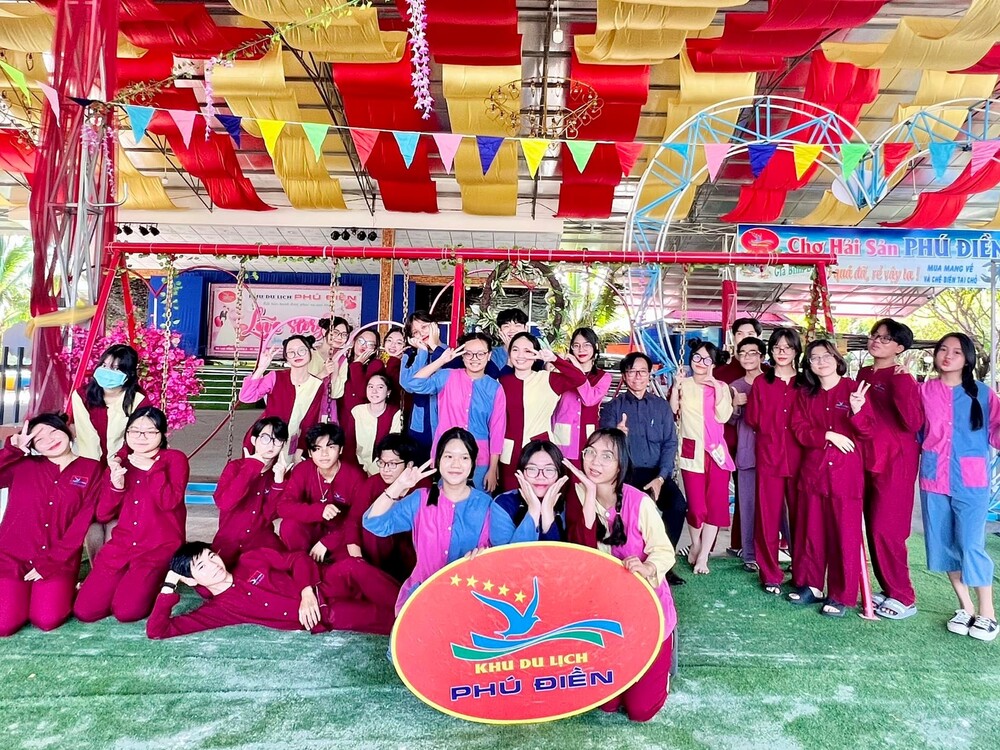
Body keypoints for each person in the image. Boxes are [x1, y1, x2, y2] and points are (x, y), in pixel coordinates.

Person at [563, 428, 677, 723]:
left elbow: (664, 552)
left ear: (620, 464)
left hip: (648, 616)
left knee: (640, 711)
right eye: (590, 452)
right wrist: (589, 498)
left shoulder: (640, 503)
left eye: (606, 456)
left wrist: (648, 568)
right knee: (607, 705)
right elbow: (580, 556)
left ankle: (663, 664)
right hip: (606, 618)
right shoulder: (577, 496)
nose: (595, 461)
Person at [74, 406, 190, 623]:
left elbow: (169, 503)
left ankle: (153, 581)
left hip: (158, 547)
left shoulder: (174, 459)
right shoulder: (119, 464)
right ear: (126, 433)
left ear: (162, 434)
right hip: (122, 545)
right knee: (86, 611)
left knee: (127, 611)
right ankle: (125, 584)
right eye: (134, 431)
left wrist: (152, 469)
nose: (141, 437)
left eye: (150, 431)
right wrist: (116, 486)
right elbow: (103, 514)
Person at [146, 541, 399, 638]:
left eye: (212, 556)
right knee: (392, 622)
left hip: (324, 583)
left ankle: (411, 601)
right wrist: (169, 586)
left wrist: (306, 591)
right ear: (191, 581)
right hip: (327, 613)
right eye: (202, 566)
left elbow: (298, 558)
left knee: (353, 566)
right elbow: (158, 630)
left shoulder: (250, 560)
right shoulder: (220, 610)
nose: (213, 565)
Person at [919, 333, 998, 641]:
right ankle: (965, 607)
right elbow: (914, 430)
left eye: (956, 352)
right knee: (944, 544)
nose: (948, 356)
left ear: (967, 359)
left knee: (970, 544)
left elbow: (996, 432)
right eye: (943, 349)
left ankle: (988, 613)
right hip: (934, 478)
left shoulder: (983, 393)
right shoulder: (923, 391)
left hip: (971, 481)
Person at [363, 427, 492, 613]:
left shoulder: (486, 505)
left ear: (473, 463)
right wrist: (398, 486)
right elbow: (374, 523)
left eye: (464, 458)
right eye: (448, 456)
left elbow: (491, 555)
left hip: (467, 599)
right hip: (421, 595)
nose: (456, 464)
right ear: (438, 460)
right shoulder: (420, 498)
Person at [787, 340, 873, 617]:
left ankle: (841, 595)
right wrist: (827, 435)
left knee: (843, 535)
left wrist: (857, 410)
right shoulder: (805, 394)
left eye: (826, 356)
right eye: (814, 358)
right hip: (814, 472)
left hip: (845, 475)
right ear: (809, 365)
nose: (821, 361)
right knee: (810, 531)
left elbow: (868, 431)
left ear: (837, 359)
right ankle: (811, 585)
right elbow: (799, 429)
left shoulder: (854, 389)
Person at [0, 415, 101, 636]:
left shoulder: (91, 469)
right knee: (4, 624)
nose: (50, 440)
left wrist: (51, 563)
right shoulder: (22, 465)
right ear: (33, 446)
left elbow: (81, 522)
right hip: (11, 557)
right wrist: (12, 450)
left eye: (54, 431)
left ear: (67, 431)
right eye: (39, 438)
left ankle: (65, 590)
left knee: (46, 619)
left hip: (58, 560)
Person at [600, 351, 686, 586]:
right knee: (626, 513)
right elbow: (604, 446)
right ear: (624, 376)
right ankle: (625, 562)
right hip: (624, 474)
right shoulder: (613, 408)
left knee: (677, 506)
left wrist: (661, 478)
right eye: (632, 371)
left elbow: (670, 443)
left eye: (642, 371)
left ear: (649, 375)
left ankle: (663, 564)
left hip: (656, 474)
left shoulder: (661, 407)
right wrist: (616, 436)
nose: (637, 376)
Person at [857, 319, 924, 620]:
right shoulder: (864, 373)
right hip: (867, 456)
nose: (876, 341)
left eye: (885, 338)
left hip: (897, 460)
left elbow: (913, 422)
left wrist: (903, 382)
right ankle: (888, 587)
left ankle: (904, 596)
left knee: (889, 528)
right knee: (873, 526)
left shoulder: (902, 378)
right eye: (874, 335)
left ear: (899, 347)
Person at [401, 332, 506, 492]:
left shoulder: (495, 388)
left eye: (480, 354)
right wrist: (441, 360)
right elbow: (414, 384)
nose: (474, 358)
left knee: (478, 502)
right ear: (462, 356)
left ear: (489, 355)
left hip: (480, 457)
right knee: (447, 500)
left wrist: (493, 468)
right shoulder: (447, 376)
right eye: (468, 353)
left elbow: (497, 429)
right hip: (447, 453)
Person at [744, 327, 803, 595]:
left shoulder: (805, 383)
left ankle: (803, 573)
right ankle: (770, 573)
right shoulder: (761, 383)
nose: (782, 352)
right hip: (769, 456)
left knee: (802, 517)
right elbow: (753, 419)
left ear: (796, 351)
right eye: (777, 347)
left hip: (801, 458)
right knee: (767, 516)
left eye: (788, 347)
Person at [669, 340, 735, 576]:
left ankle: (703, 555)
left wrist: (716, 386)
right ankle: (695, 544)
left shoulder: (722, 387)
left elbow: (724, 416)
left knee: (715, 507)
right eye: (697, 357)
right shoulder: (684, 384)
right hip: (691, 452)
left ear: (714, 363)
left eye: (707, 359)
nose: (701, 362)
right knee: (696, 508)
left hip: (717, 456)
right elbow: (674, 411)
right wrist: (675, 386)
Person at [498, 332, 586, 491]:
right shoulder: (502, 382)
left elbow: (579, 378)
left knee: (542, 496)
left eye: (527, 351)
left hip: (541, 450)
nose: (521, 355)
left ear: (536, 355)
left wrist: (554, 359)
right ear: (509, 354)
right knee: (511, 496)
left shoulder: (548, 379)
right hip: (510, 451)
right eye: (515, 350)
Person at [277, 423, 366, 564]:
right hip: (312, 528)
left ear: (340, 449)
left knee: (347, 562)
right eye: (317, 449)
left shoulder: (355, 477)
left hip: (340, 534)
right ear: (310, 453)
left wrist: (327, 542)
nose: (324, 454)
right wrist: (319, 511)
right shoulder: (303, 470)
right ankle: (302, 563)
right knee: (289, 526)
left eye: (331, 447)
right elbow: (283, 507)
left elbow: (358, 519)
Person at [212, 417, 291, 567]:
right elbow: (225, 503)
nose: (271, 445)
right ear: (254, 440)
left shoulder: (280, 474)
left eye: (278, 440)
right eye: (265, 438)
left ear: (283, 445)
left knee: (287, 567)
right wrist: (251, 467)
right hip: (228, 539)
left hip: (261, 541)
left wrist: (279, 483)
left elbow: (269, 515)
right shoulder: (236, 467)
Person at [345, 434, 419, 583]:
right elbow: (353, 520)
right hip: (376, 556)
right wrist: (358, 561)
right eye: (381, 463)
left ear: (409, 465)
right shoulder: (372, 483)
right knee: (372, 527)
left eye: (392, 464)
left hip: (411, 555)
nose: (385, 469)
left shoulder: (422, 487)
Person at [239, 335, 324, 459]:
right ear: (286, 357)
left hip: (294, 442)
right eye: (291, 352)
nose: (297, 355)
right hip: (266, 438)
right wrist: (261, 368)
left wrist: (300, 450)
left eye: (301, 350)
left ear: (310, 352)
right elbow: (246, 397)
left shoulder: (317, 384)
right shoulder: (275, 377)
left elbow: (310, 421)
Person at [70, 344, 149, 462]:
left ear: (129, 374)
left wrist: (117, 461)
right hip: (88, 460)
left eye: (115, 369)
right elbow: (86, 437)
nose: (106, 372)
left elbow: (135, 437)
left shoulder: (138, 399)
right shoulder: (82, 396)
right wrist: (92, 467)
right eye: (104, 365)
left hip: (124, 460)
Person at [729, 337, 766, 572]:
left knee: (778, 507)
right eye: (743, 353)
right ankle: (749, 555)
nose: (747, 357)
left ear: (762, 355)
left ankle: (788, 551)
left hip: (772, 452)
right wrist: (735, 405)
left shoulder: (772, 380)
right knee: (748, 504)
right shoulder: (735, 385)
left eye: (752, 353)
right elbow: (729, 420)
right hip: (746, 451)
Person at [490, 439, 570, 544]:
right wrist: (533, 510)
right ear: (521, 472)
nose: (540, 476)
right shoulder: (503, 504)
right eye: (532, 469)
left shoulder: (566, 506)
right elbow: (508, 554)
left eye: (549, 470)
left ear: (559, 475)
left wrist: (547, 513)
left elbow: (558, 553)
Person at [552, 327, 612, 463]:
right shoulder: (561, 374)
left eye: (586, 345)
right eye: (576, 345)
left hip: (588, 438)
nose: (581, 349)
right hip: (561, 438)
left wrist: (576, 369)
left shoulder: (604, 377)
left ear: (595, 347)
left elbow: (589, 400)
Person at [401, 311, 446, 461]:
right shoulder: (410, 355)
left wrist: (435, 350)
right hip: (421, 422)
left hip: (444, 420)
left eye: (424, 327)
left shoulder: (449, 353)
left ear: (435, 326)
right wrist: (422, 353)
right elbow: (408, 386)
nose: (421, 334)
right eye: (415, 332)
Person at [344, 373, 403, 475]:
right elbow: (349, 444)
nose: (374, 391)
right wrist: (356, 470)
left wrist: (373, 470)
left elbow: (392, 446)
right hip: (357, 467)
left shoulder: (395, 413)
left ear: (388, 392)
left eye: (380, 387)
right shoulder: (357, 411)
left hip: (383, 469)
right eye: (370, 387)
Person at [328, 328, 386, 426]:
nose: (364, 345)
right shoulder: (343, 362)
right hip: (340, 418)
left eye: (370, 344)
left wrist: (357, 364)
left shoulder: (376, 365)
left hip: (362, 421)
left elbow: (362, 392)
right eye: (361, 341)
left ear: (375, 349)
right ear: (354, 342)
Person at [491, 308, 529, 375]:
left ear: (526, 328)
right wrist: (510, 352)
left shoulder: (533, 352)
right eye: (506, 326)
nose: (512, 330)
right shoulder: (493, 355)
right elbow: (498, 380)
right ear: (500, 330)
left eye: (517, 325)